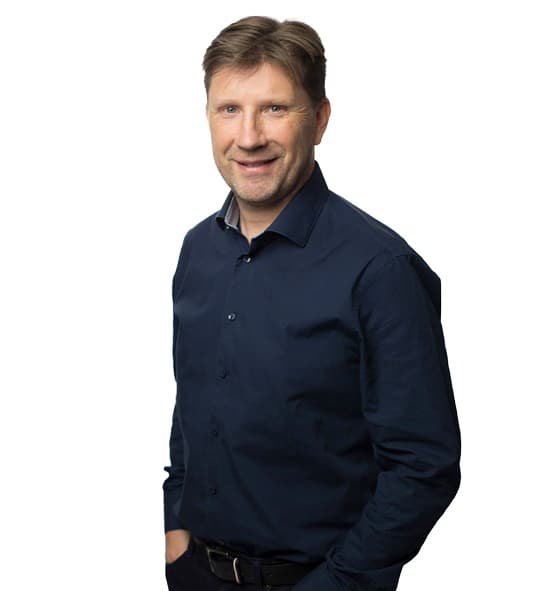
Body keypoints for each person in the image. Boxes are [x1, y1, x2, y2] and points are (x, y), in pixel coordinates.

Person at [162, 15, 461, 591]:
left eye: (275, 108)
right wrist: (175, 528)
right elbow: (194, 402)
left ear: (320, 120)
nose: (249, 136)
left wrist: (336, 583)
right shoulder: (198, 249)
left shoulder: (382, 270)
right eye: (229, 109)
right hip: (196, 575)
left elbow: (424, 465)